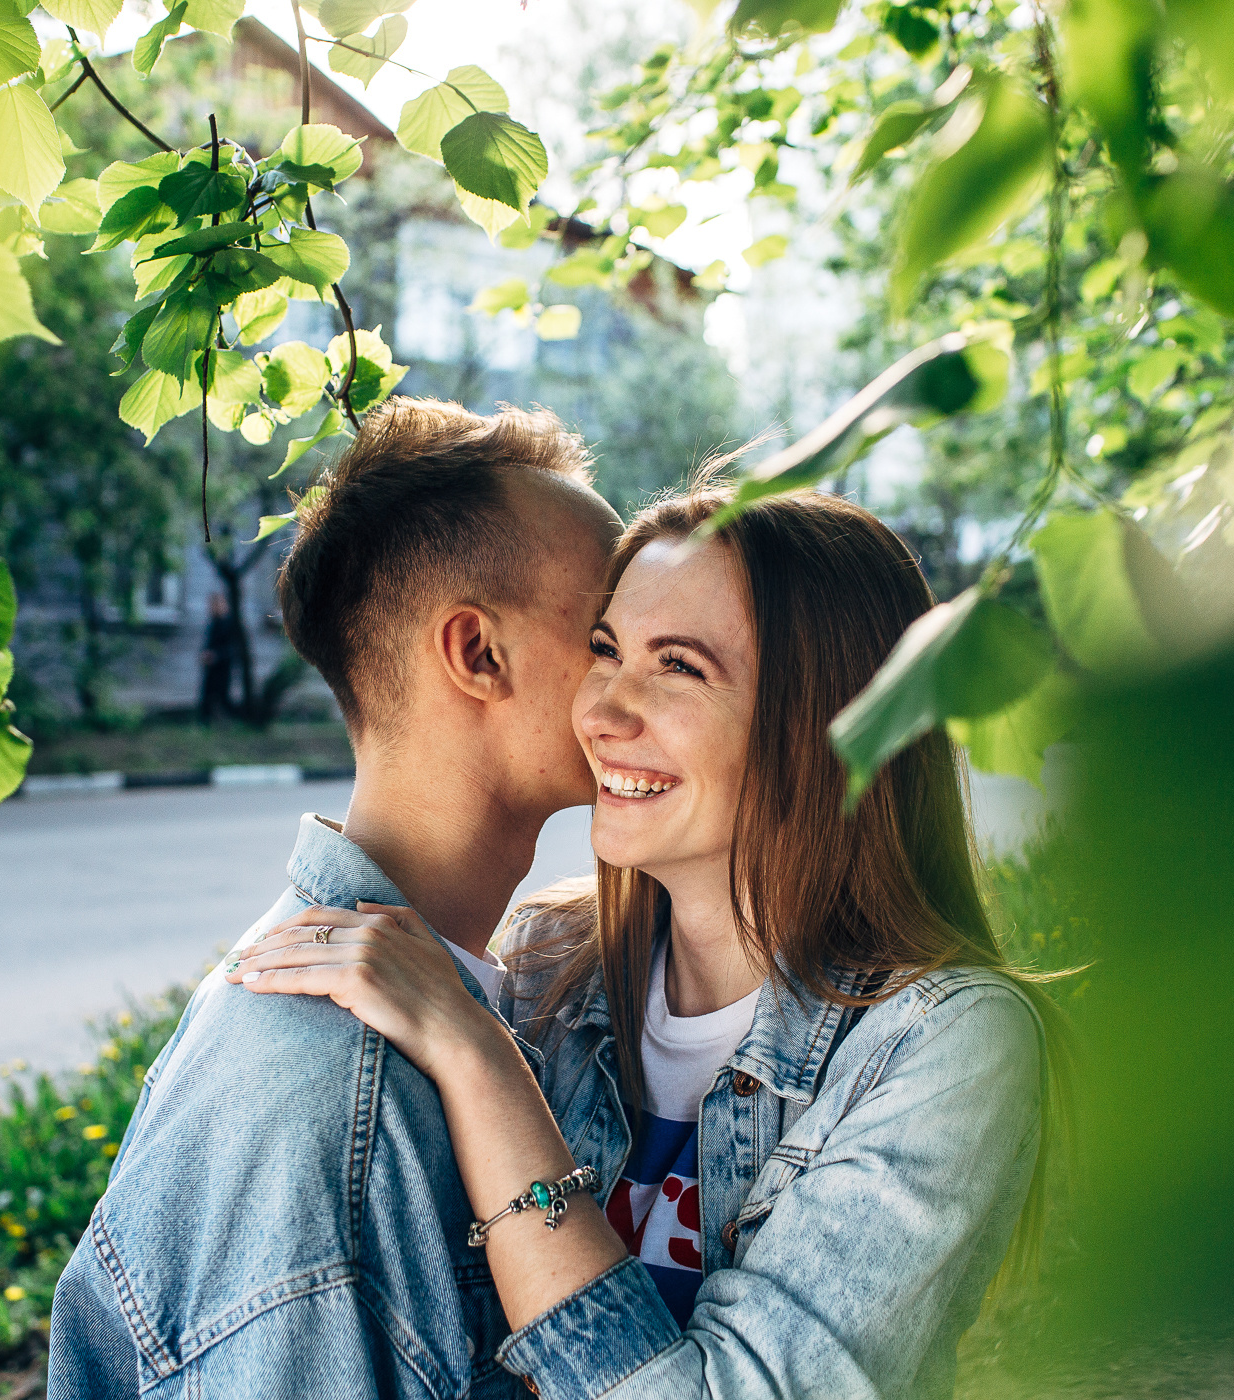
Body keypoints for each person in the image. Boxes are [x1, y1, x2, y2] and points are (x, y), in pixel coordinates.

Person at [233, 480, 1066, 1399]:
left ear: (834, 720)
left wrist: (483, 1067)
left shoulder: (944, 1045)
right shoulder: (549, 961)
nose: (601, 713)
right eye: (605, 650)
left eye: (678, 667)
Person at [48, 399, 622, 1399]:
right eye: (609, 635)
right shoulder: (343, 1106)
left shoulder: (413, 995)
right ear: (478, 653)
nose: (643, 678)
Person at [196, 588, 238, 722]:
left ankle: (226, 720)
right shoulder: (213, 623)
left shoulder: (228, 624)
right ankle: (207, 720)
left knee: (222, 695)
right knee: (208, 695)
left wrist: (217, 656)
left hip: (223, 667)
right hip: (211, 667)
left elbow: (232, 649)